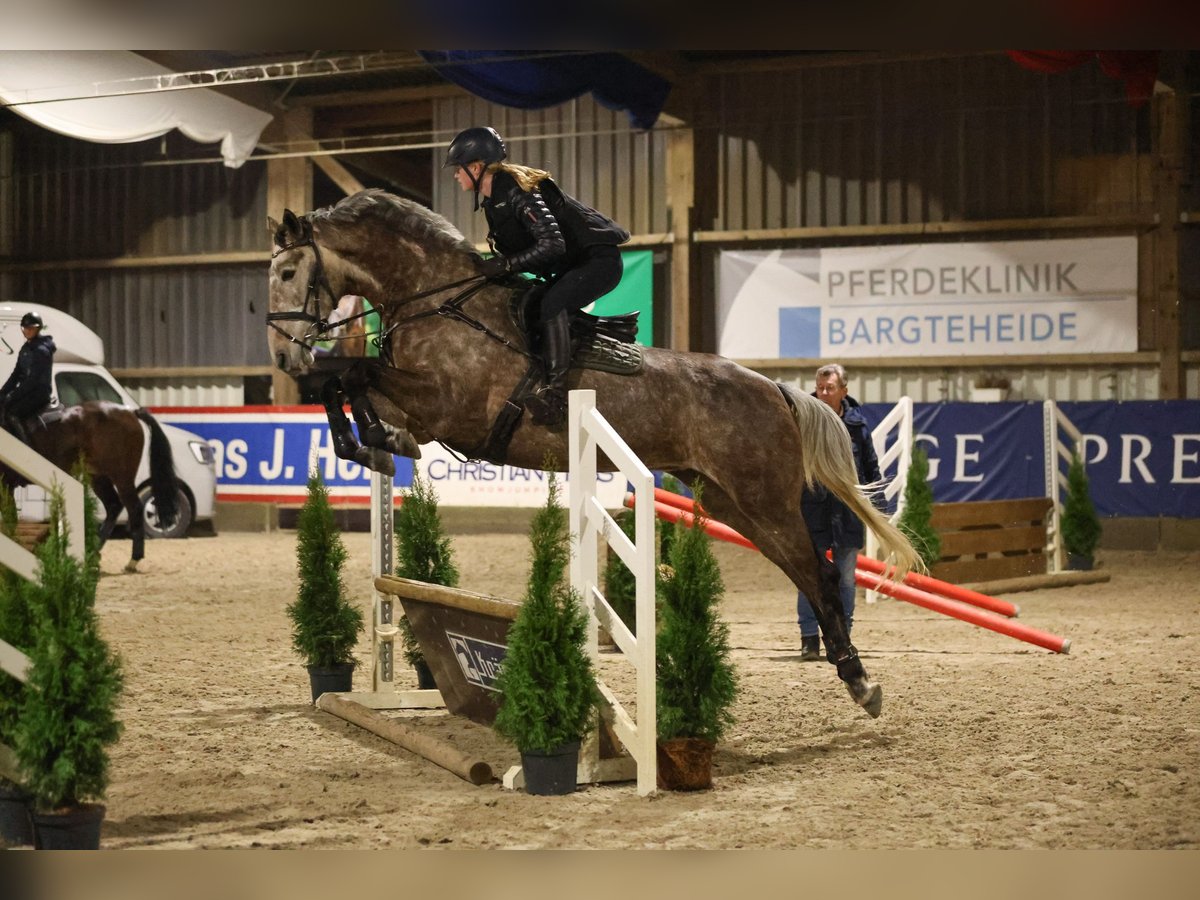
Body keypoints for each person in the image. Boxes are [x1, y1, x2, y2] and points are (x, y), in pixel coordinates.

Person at [443, 126, 630, 426]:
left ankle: (555, 397)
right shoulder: (494, 200)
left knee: (552, 305)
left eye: (459, 169)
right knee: (529, 304)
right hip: (576, 263)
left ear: (476, 167)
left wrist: (504, 266)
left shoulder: (515, 190)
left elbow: (552, 244)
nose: (456, 175)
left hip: (599, 262)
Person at [797, 363, 883, 662]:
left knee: (846, 580)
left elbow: (871, 467)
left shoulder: (858, 426)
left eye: (829, 388)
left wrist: (878, 506)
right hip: (812, 510)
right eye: (820, 388)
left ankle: (842, 638)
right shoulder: (802, 420)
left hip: (846, 511)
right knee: (810, 576)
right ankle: (809, 639)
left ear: (843, 391)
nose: (822, 393)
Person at [0, 311, 56, 446]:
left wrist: (13, 395)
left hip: (39, 393)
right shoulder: (25, 348)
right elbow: (16, 374)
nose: (27, 331)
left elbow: (33, 380)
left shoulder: (41, 350)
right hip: (28, 392)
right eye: (25, 328)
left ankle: (25, 447)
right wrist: (2, 393)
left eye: (31, 328)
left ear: (38, 329)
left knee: (12, 414)